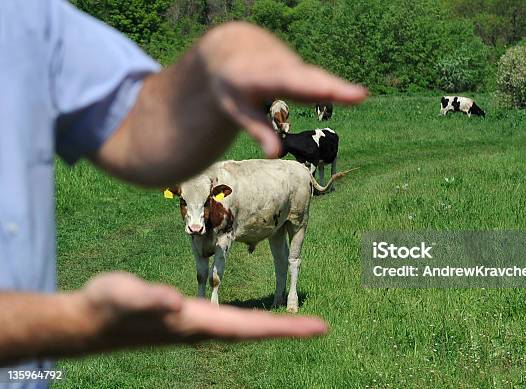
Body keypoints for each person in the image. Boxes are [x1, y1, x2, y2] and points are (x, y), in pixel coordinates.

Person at [0, 0, 367, 384]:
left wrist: (200, 89)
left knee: (285, 247)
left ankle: (283, 294)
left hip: (26, 371)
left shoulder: (34, 17)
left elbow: (137, 127)